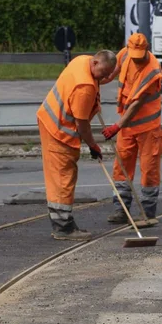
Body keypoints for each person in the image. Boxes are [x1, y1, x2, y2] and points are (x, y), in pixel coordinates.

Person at [37, 50, 117, 241]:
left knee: (59, 175)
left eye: (108, 75)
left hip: (50, 120)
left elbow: (96, 80)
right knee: (63, 177)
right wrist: (93, 146)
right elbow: (82, 125)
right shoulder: (85, 88)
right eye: (103, 73)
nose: (105, 78)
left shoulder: (82, 61)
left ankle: (63, 222)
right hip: (59, 131)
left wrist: (101, 81)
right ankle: (63, 227)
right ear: (95, 63)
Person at [101, 32, 162, 223]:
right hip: (126, 127)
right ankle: (121, 210)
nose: (136, 61)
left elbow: (137, 103)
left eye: (140, 57)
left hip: (147, 128)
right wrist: (95, 79)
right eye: (134, 56)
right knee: (121, 167)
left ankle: (147, 213)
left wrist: (117, 126)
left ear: (147, 50)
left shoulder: (153, 70)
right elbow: (110, 74)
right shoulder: (124, 54)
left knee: (149, 170)